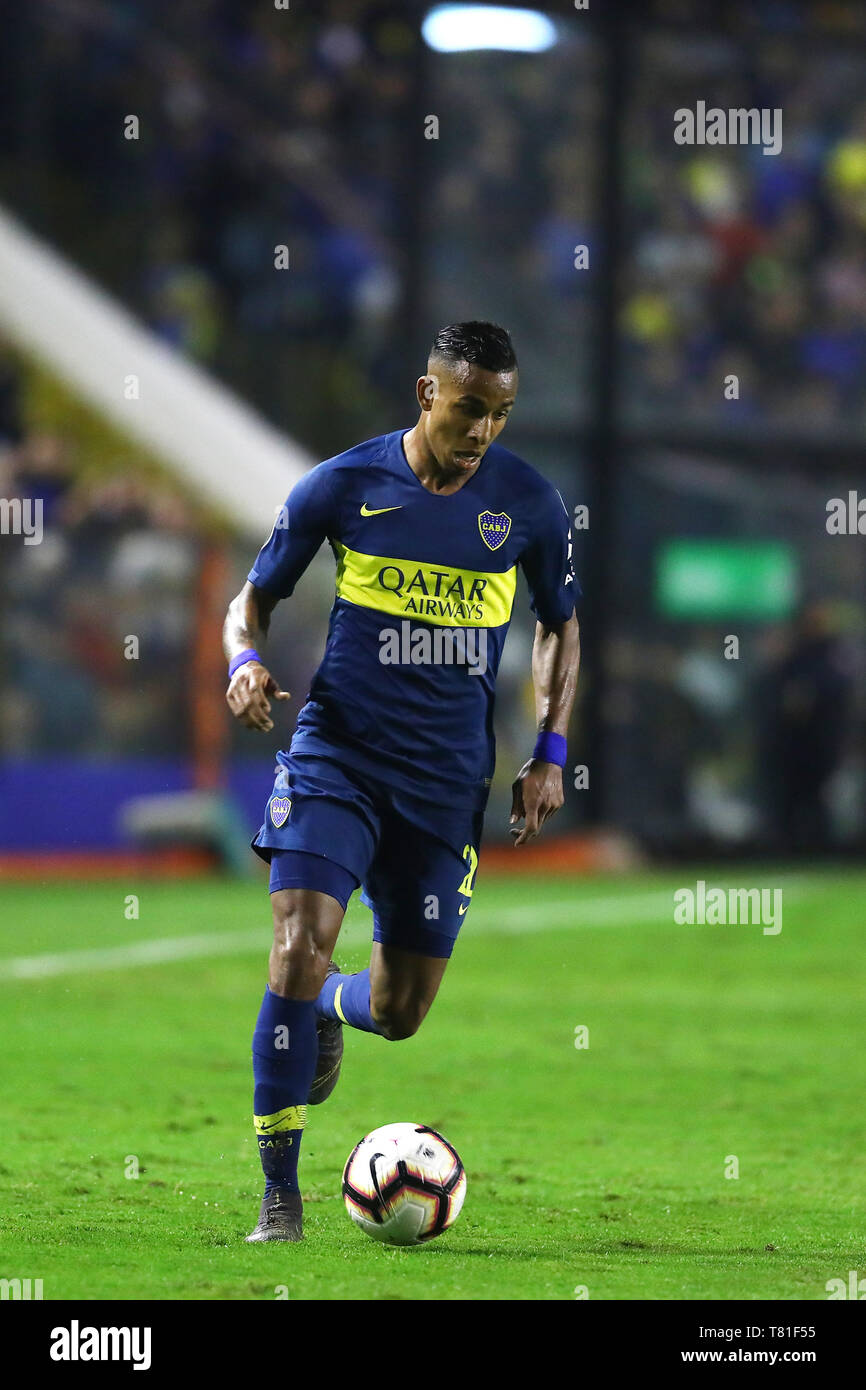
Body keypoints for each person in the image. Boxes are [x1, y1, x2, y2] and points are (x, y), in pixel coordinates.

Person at [223, 321, 581, 1241]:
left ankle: (338, 1003)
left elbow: (557, 625)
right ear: (428, 395)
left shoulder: (530, 506)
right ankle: (280, 1195)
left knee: (400, 1009)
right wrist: (243, 661)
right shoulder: (343, 485)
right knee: (297, 941)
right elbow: (253, 598)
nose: (483, 432)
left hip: (445, 783)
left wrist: (550, 749)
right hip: (337, 757)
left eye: (500, 414)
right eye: (469, 409)